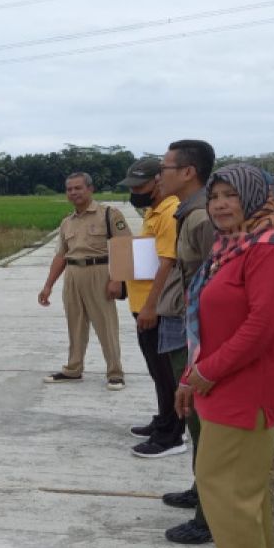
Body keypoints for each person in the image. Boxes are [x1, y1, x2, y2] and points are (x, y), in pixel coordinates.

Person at [174, 163, 274, 548]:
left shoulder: (269, 253)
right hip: (221, 385)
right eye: (215, 197)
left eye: (231, 195)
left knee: (224, 488)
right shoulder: (232, 248)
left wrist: (206, 371)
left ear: (255, 198)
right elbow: (211, 323)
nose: (220, 205)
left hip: (244, 389)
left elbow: (262, 328)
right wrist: (193, 373)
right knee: (242, 490)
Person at [154, 140, 218, 544]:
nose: (161, 175)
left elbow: (213, 280)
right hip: (183, 321)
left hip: (195, 330)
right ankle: (201, 493)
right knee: (195, 422)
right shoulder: (188, 213)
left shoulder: (200, 219)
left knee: (201, 421)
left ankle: (207, 515)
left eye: (166, 168)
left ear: (188, 171)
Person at [117, 159, 186, 457]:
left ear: (158, 180)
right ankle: (163, 420)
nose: (135, 191)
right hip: (142, 303)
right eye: (131, 186)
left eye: (140, 186)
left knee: (165, 372)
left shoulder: (169, 211)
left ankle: (171, 436)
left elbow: (168, 262)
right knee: (156, 371)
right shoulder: (153, 211)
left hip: (153, 307)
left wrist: (151, 306)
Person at [38, 172, 131, 391]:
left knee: (105, 324)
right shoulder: (66, 223)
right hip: (72, 274)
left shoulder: (109, 214)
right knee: (75, 324)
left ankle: (115, 372)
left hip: (99, 272)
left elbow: (124, 247)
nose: (73, 193)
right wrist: (48, 285)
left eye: (78, 188)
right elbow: (61, 255)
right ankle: (73, 369)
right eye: (69, 189)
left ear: (90, 189)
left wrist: (117, 279)